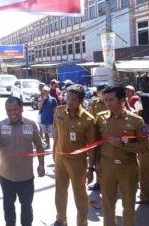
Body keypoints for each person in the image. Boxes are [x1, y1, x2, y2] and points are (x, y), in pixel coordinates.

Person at [95, 86, 147, 226]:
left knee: (128, 206)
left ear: (122, 100)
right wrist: (96, 164)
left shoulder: (136, 120)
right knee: (107, 204)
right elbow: (96, 144)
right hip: (106, 166)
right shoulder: (100, 118)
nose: (108, 103)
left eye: (111, 100)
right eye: (105, 100)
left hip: (128, 166)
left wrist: (123, 144)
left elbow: (143, 146)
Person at [0, 96, 45, 226]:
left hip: (26, 177)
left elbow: (39, 146)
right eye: (8, 110)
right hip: (6, 177)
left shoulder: (31, 125)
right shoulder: (0, 125)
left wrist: (41, 165)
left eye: (15, 109)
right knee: (8, 208)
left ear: (21, 109)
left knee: (27, 207)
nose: (12, 113)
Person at [52, 85, 96, 226]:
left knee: (80, 195)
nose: (69, 101)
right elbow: (57, 133)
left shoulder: (88, 119)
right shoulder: (59, 111)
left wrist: (91, 169)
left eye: (73, 99)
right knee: (60, 191)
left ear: (81, 101)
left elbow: (92, 146)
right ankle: (61, 219)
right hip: (60, 158)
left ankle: (82, 223)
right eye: (67, 97)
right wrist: (54, 153)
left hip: (78, 162)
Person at [38, 86, 57, 150]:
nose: (44, 92)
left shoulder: (53, 99)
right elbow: (39, 107)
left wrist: (55, 118)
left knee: (54, 134)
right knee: (46, 133)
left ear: (48, 92)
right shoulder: (40, 99)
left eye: (45, 91)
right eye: (43, 90)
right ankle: (48, 145)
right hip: (43, 119)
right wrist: (42, 100)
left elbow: (55, 110)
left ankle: (56, 146)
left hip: (51, 120)